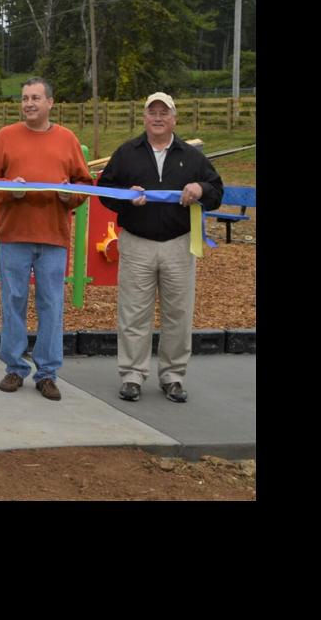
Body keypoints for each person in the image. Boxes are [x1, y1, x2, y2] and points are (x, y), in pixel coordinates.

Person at [95, 92, 224, 403]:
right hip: (137, 243)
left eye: (163, 113)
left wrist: (200, 188)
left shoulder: (191, 156)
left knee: (178, 313)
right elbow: (103, 190)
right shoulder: (127, 153)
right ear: (144, 118)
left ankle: (173, 376)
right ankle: (131, 375)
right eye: (152, 112)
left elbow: (216, 190)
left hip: (178, 245)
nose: (157, 117)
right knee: (133, 312)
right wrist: (126, 195)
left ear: (173, 119)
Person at [0, 77, 92, 401]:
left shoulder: (67, 140)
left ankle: (47, 373)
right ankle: (14, 368)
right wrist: (7, 189)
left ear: (50, 103)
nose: (29, 103)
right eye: (25, 98)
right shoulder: (6, 137)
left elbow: (83, 184)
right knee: (13, 302)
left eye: (36, 98)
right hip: (14, 234)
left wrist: (69, 197)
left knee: (52, 304)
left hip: (53, 236)